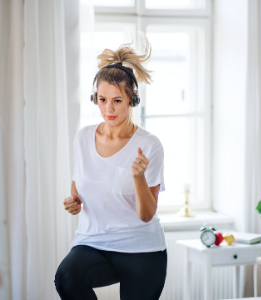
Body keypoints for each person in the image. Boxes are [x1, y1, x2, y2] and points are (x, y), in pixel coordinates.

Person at [54, 37, 167, 300]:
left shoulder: (149, 145)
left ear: (131, 99)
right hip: (93, 242)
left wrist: (137, 177)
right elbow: (79, 187)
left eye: (117, 100)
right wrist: (75, 202)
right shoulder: (83, 137)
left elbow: (147, 214)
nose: (108, 109)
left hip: (142, 248)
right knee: (67, 279)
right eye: (102, 99)